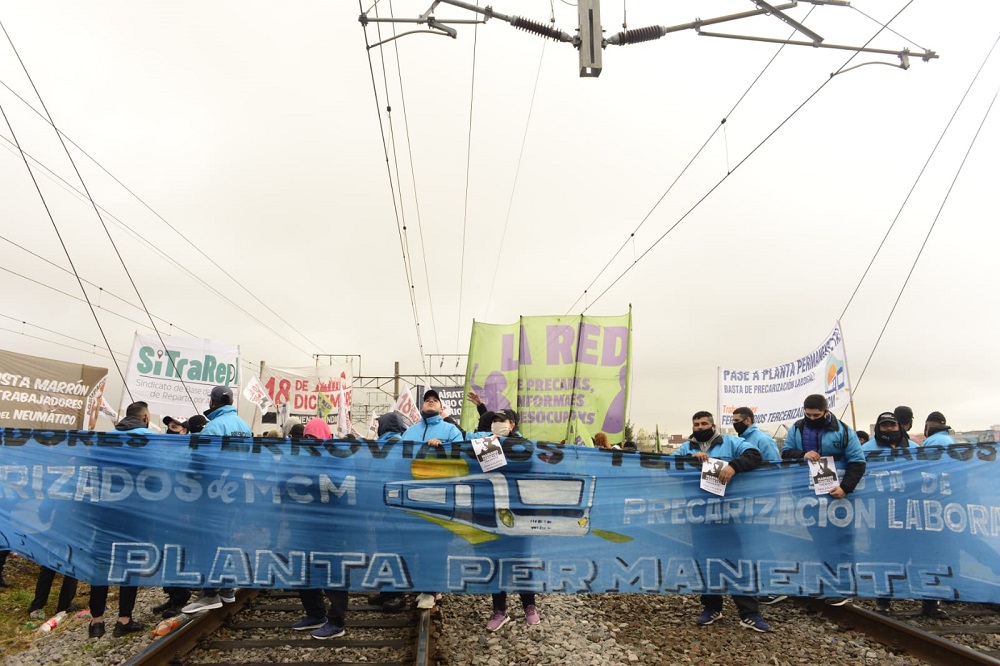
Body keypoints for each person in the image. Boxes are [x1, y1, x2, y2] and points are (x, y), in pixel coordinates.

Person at [674, 411, 769, 632]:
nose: (699, 427)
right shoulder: (686, 448)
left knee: (737, 560)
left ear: (713, 425)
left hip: (730, 512)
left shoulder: (731, 441)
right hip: (700, 513)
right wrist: (690, 461)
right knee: (705, 560)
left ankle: (749, 613)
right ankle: (711, 607)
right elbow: (672, 468)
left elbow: (754, 456)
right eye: (696, 424)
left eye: (704, 423)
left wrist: (733, 466)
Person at [781, 394, 865, 607]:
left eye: (816, 415)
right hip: (809, 495)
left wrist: (845, 488)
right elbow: (786, 453)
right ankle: (828, 582)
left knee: (842, 539)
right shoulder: (797, 428)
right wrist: (802, 454)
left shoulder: (844, 431)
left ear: (826, 412)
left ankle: (845, 586)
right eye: (808, 414)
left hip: (837, 496)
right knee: (819, 539)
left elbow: (857, 461)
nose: (811, 418)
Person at [466, 410, 543, 630]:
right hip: (491, 512)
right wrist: (491, 447)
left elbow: (524, 468)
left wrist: (499, 450)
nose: (497, 424)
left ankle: (529, 606)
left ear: (513, 424)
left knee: (521, 560)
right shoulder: (486, 443)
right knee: (496, 560)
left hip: (521, 513)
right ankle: (499, 610)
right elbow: (486, 470)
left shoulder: (525, 445)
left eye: (502, 421)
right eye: (495, 422)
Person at [182, 386, 252, 614]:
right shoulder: (245, 427)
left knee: (209, 541)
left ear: (212, 403)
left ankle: (210, 592)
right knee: (226, 539)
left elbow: (198, 460)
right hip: (237, 492)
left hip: (214, 493)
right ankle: (227, 587)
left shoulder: (214, 427)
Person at [87, 401, 151, 638]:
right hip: (134, 513)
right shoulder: (150, 439)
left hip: (105, 512)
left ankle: (96, 621)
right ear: (145, 418)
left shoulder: (105, 439)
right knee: (129, 564)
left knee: (102, 564)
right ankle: (124, 619)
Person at [288, 418, 352, 639]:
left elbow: (343, 487)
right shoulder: (301, 460)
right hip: (306, 526)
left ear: (325, 437)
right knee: (304, 570)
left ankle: (336, 621)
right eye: (306, 438)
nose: (309, 443)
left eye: (313, 438)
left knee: (334, 573)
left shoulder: (339, 459)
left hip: (334, 529)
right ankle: (315, 614)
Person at [400, 389, 463, 610]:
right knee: (416, 543)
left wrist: (441, 450)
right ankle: (427, 585)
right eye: (427, 400)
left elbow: (460, 461)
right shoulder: (410, 432)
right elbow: (400, 461)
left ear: (440, 407)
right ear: (422, 406)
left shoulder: (451, 430)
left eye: (435, 400)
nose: (431, 402)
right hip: (413, 498)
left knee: (437, 545)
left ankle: (431, 589)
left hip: (440, 498)